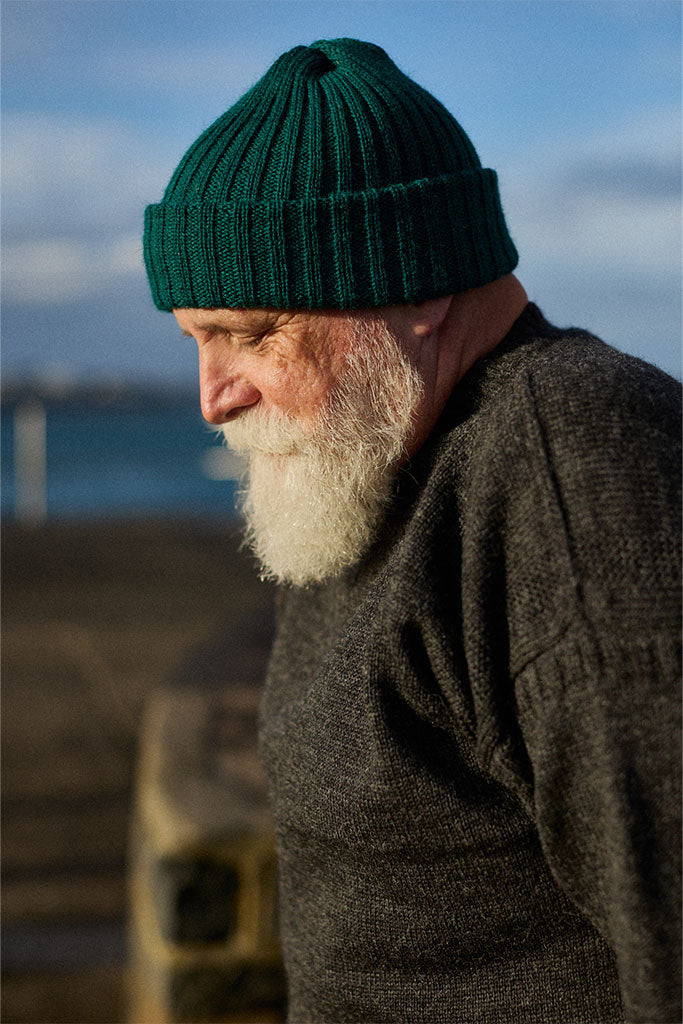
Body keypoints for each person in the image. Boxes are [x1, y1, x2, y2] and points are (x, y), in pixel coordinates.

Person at [143, 38, 681, 1024]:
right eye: (194, 338)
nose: (212, 399)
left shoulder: (572, 470)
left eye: (253, 331)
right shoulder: (368, 455)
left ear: (420, 286)